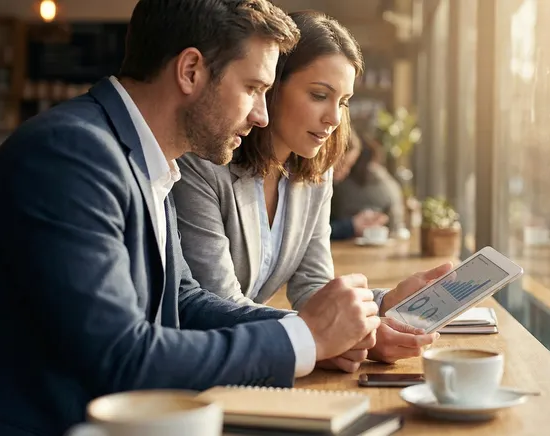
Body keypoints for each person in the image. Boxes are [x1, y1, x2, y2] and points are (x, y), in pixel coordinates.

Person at [0, 2, 391, 435]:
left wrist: (319, 333)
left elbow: (185, 300)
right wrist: (304, 337)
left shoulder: (140, 158)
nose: (261, 116)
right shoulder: (72, 155)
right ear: (191, 71)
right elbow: (122, 358)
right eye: (253, 88)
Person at [173, 10, 448, 373]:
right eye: (320, 95)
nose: (334, 118)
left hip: (260, 362)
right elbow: (218, 303)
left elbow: (312, 287)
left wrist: (384, 303)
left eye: (344, 101)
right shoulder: (202, 166)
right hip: (206, 363)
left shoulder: (314, 175)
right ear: (271, 86)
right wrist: (338, 335)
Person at [331, 131, 405, 239]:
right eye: (344, 165)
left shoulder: (338, 186)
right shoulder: (387, 182)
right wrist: (352, 225)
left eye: (349, 166)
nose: (345, 172)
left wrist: (352, 225)